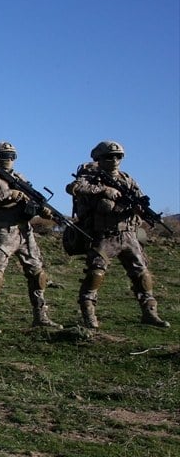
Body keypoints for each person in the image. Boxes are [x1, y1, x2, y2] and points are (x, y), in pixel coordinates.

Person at [67, 141, 169, 329]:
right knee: (96, 273)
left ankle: (150, 312)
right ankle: (89, 313)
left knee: (141, 274)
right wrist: (105, 190)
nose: (114, 160)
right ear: (98, 158)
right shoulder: (91, 177)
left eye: (118, 156)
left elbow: (140, 199)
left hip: (129, 235)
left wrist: (139, 209)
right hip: (105, 236)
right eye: (109, 156)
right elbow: (74, 187)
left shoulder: (127, 179)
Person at [0, 141, 61, 334]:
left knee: (38, 274)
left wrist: (43, 211)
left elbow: (27, 200)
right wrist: (10, 194)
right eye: (5, 156)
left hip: (24, 231)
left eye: (13, 156)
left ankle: (41, 316)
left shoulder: (19, 177)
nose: (10, 160)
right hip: (2, 232)